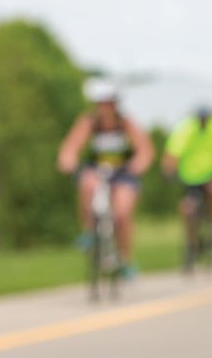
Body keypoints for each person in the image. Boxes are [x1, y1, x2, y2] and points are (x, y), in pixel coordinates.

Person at [57, 78, 153, 278]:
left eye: (109, 103)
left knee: (122, 213)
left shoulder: (126, 123)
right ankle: (89, 232)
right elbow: (70, 147)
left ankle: (125, 260)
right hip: (97, 170)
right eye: (101, 103)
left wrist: (139, 164)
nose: (105, 108)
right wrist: (68, 162)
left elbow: (144, 149)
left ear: (115, 104)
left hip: (123, 173)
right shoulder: (89, 123)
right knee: (87, 183)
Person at [161, 105, 212, 258]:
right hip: (191, 177)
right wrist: (168, 171)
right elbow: (172, 153)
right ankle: (191, 243)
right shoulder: (186, 128)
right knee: (187, 208)